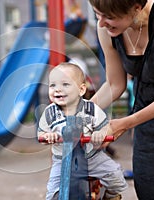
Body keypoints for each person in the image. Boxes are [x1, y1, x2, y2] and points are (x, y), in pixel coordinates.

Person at [88, 0, 154, 199]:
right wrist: (80, 111)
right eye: (97, 14)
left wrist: (125, 123)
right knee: (149, 187)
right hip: (146, 122)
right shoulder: (107, 29)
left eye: (109, 17)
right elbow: (115, 85)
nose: (101, 23)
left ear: (136, 8)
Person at [38, 62, 127, 200]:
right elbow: (41, 134)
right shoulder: (49, 113)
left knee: (116, 176)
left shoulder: (91, 109)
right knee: (52, 192)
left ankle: (111, 195)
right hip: (62, 160)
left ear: (81, 90)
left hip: (92, 157)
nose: (57, 89)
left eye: (65, 84)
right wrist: (48, 136)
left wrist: (99, 134)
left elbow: (105, 127)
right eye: (53, 85)